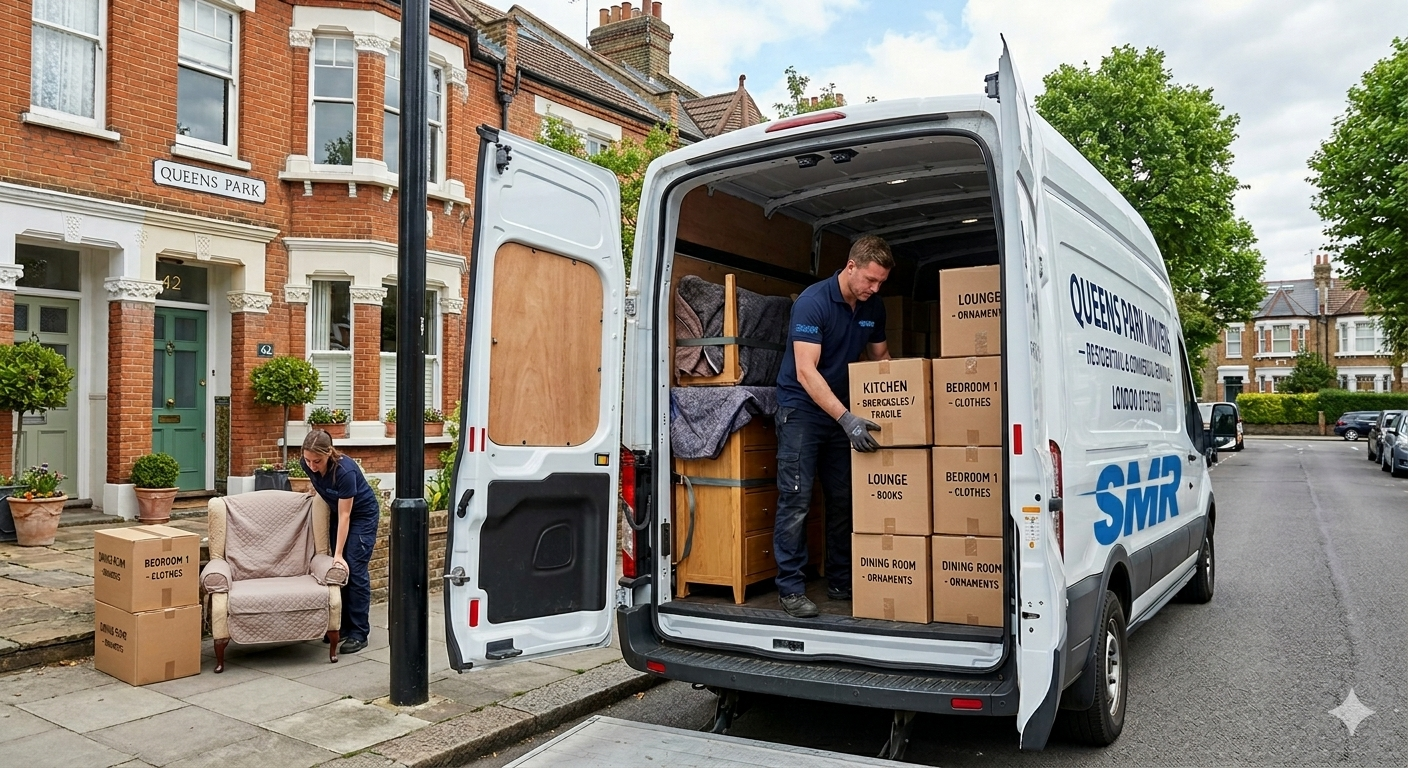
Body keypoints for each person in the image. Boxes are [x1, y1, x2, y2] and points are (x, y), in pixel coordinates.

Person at [771, 235, 893, 618]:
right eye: (870, 280)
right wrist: (847, 419)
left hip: (843, 412)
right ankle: (791, 589)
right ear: (851, 266)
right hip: (802, 411)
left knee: (843, 498)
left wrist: (898, 404)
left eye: (881, 282)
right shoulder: (813, 303)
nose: (875, 288)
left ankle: (841, 580)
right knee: (796, 499)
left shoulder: (874, 307)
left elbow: (881, 359)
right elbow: (806, 372)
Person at [300, 430, 381, 654]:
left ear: (329, 452)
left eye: (317, 461)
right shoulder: (306, 464)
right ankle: (342, 627)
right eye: (308, 460)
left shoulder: (345, 471)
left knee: (353, 568)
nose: (312, 466)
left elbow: (346, 515)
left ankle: (359, 633)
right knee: (338, 572)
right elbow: (319, 485)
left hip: (361, 517)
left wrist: (337, 554)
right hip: (339, 514)